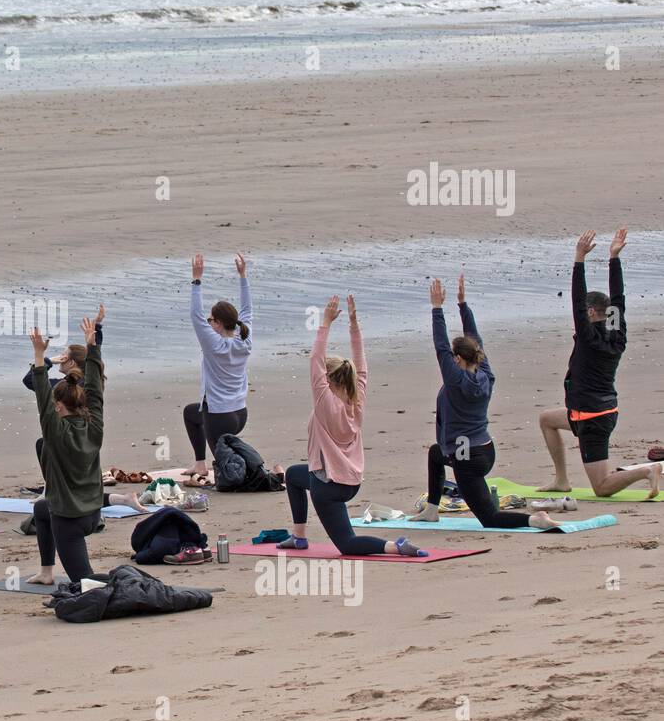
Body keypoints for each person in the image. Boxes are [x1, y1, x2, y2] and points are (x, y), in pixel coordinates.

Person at [278, 296, 427, 557]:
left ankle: (395, 546)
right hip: (351, 481)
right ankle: (298, 536)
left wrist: (325, 323)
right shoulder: (357, 399)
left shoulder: (325, 402)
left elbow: (315, 358)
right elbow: (361, 363)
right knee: (293, 475)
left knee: (347, 544)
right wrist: (354, 325)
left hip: (328, 486)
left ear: (327, 380)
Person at [409, 276, 556, 528]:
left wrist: (436, 308)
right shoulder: (485, 374)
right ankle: (432, 509)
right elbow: (474, 339)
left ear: (457, 359)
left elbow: (440, 346)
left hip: (466, 457)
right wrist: (463, 305)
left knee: (490, 518)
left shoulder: (456, 382)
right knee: (435, 453)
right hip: (484, 449)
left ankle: (535, 519)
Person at [538, 230, 661, 498]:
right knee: (547, 419)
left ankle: (645, 471)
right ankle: (561, 479)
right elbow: (618, 299)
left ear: (590, 312)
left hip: (592, 418)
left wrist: (579, 259)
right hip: (596, 410)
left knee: (601, 487)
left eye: (584, 310)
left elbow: (577, 298)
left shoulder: (589, 337)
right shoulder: (616, 333)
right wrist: (613, 258)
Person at [26, 317, 106, 585]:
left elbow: (41, 397)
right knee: (41, 509)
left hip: (69, 519)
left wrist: (39, 355)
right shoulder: (94, 424)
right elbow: (95, 389)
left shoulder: (56, 433)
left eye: (54, 405)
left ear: (59, 406)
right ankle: (47, 572)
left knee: (86, 584)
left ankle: (128, 583)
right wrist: (92, 347)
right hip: (93, 513)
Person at [182, 252, 253, 485]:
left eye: (211, 319)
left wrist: (196, 280)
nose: (207, 322)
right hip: (240, 414)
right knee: (191, 413)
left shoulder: (215, 345)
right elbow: (247, 310)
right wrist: (243, 276)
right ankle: (200, 464)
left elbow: (195, 316)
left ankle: (239, 473)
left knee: (227, 475)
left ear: (219, 324)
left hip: (218, 417)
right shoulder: (245, 339)